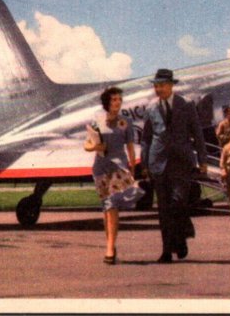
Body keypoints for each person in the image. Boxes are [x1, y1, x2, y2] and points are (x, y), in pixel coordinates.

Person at [140, 68, 208, 263]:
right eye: (156, 86)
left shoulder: (186, 105)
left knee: (178, 203)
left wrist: (202, 160)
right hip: (158, 163)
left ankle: (181, 237)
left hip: (181, 162)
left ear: (171, 86)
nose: (158, 89)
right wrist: (144, 164)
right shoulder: (151, 109)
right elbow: (146, 139)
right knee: (163, 209)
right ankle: (167, 251)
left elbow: (197, 133)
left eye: (161, 85)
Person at [86, 86, 139, 265]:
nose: (118, 102)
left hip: (119, 167)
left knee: (112, 204)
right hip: (101, 167)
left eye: (119, 99)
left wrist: (132, 167)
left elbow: (130, 146)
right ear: (107, 102)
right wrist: (95, 147)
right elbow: (87, 144)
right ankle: (111, 244)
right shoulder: (97, 121)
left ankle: (109, 247)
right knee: (107, 207)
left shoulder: (126, 122)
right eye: (114, 99)